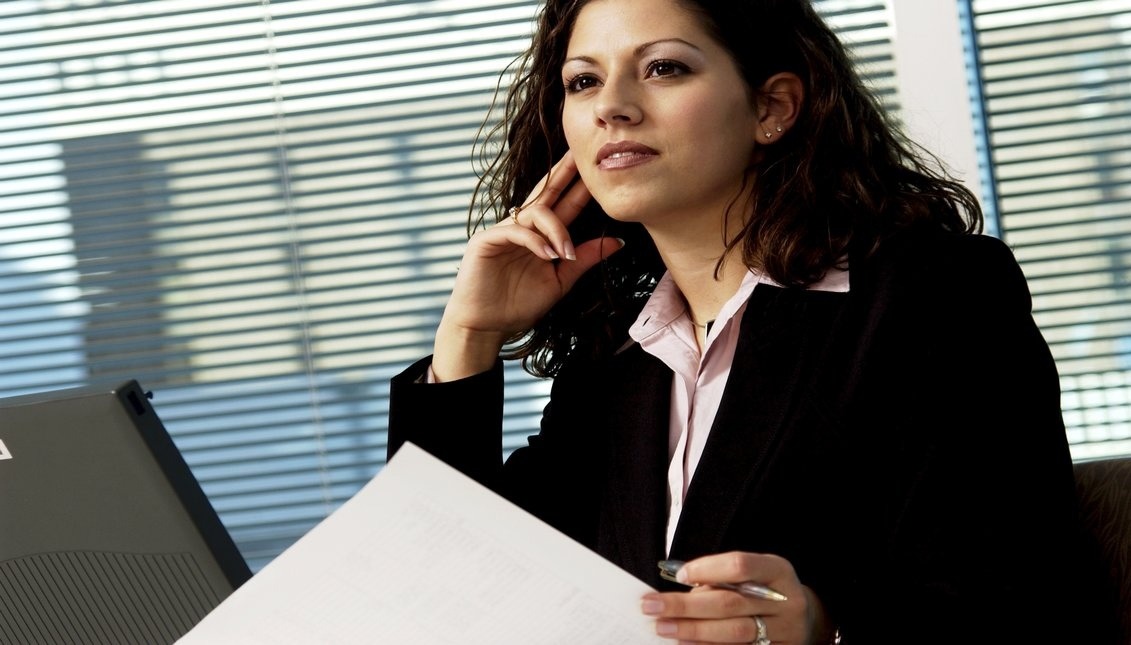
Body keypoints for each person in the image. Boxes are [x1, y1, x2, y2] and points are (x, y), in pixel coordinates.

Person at [388, 0, 1112, 642]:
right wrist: (468, 336)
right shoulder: (617, 356)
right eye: (583, 81)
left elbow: (1024, 598)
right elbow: (440, 572)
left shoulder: (931, 294)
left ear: (772, 107)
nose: (612, 106)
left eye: (664, 68)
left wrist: (824, 627)